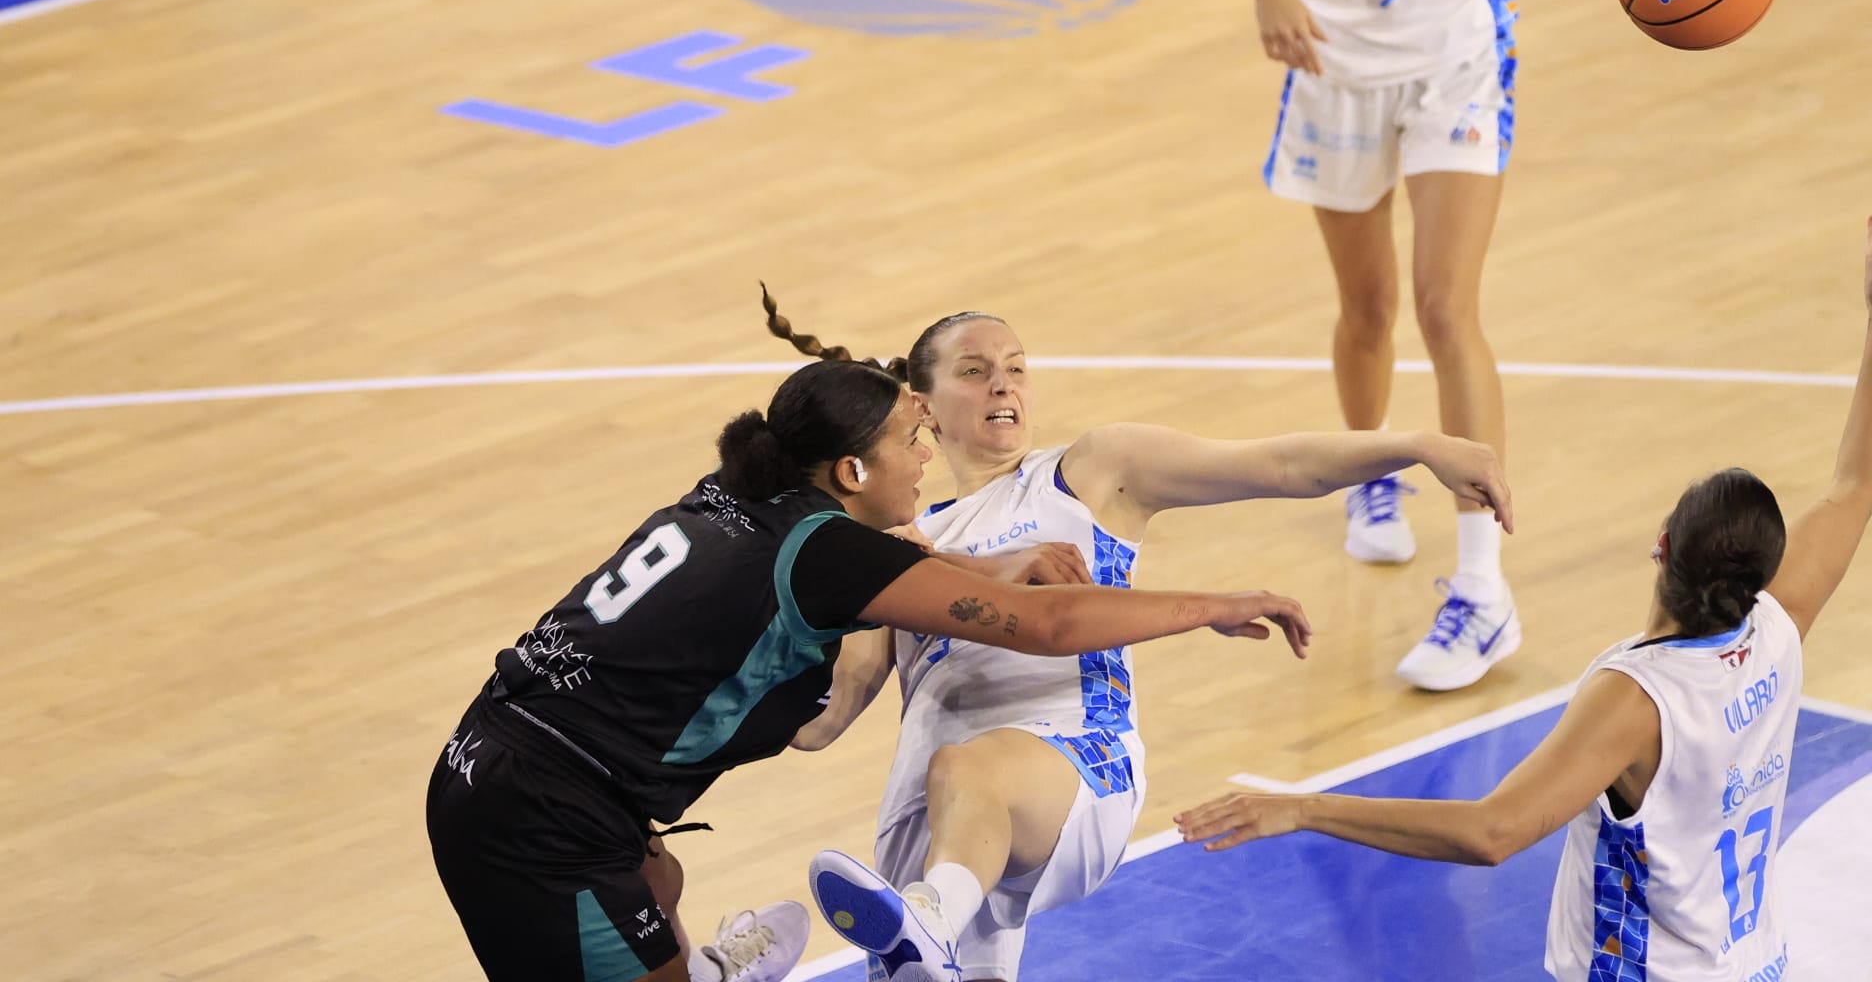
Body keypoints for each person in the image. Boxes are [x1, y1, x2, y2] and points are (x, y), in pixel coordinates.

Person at [426, 357, 1315, 982]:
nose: (927, 457)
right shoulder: (827, 555)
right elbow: (1051, 626)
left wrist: (987, 566)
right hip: (542, 819)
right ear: (852, 469)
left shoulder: (736, 495)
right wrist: (1218, 603)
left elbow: (860, 568)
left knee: (661, 883)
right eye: (911, 442)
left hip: (508, 761)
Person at [1176, 219, 1872, 980]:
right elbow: (1857, 483)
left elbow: (1492, 832)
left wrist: (1303, 808)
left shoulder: (1638, 700)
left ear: (1661, 545)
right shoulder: (1777, 627)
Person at [759, 295, 1511, 982]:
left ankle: (930, 917)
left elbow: (1282, 464)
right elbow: (822, 718)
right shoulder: (905, 539)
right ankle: (930, 918)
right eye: (977, 371)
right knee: (950, 841)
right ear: (923, 403)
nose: (1004, 386)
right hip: (931, 816)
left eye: (1017, 370)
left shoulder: (1091, 471)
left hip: (1072, 761)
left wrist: (1417, 443)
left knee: (967, 772)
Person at [1182, 0, 1719, 689]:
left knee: (1445, 308)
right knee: (1369, 310)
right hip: (1336, 59)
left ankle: (1484, 588)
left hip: (1462, 69)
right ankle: (1370, 477)